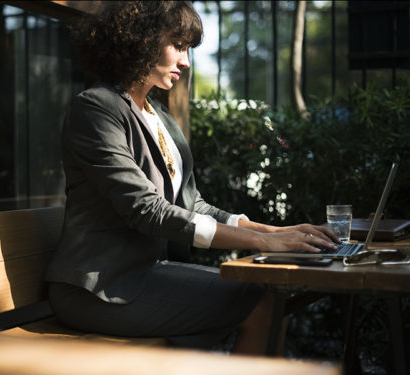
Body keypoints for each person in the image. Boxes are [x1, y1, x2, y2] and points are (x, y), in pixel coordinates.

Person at [45, 1, 339, 353]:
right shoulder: (96, 109)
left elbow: (191, 203)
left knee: (268, 293)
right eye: (178, 46)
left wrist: (276, 232)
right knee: (259, 300)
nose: (186, 61)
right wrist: (263, 244)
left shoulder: (160, 116)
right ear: (142, 38)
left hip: (146, 275)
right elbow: (147, 210)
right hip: (97, 288)